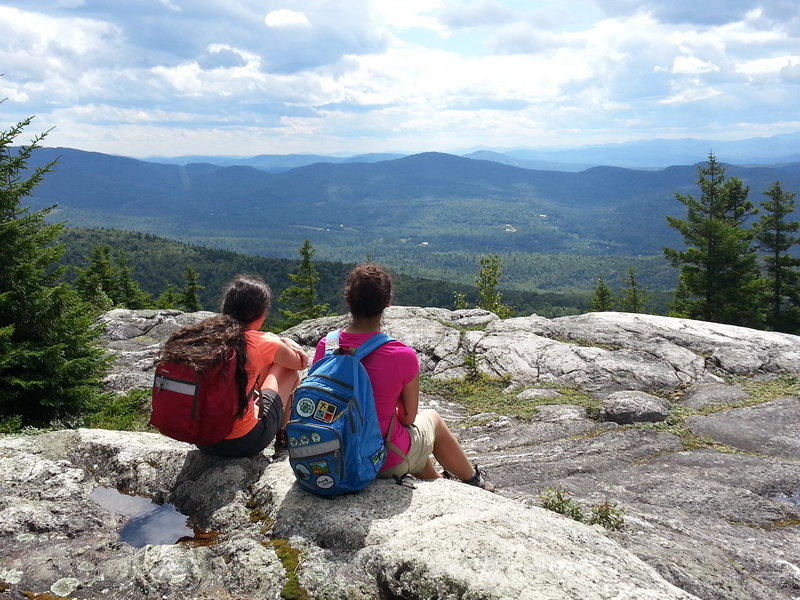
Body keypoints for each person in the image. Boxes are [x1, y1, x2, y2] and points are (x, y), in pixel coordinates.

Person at [312, 263, 495, 491]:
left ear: (348, 300)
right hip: (378, 462)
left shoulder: (327, 346)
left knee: (406, 439)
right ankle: (474, 482)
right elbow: (408, 418)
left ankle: (438, 481)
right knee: (431, 420)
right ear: (388, 302)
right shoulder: (401, 355)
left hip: (329, 455)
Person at [159, 275, 308, 457]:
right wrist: (283, 340)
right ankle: (283, 441)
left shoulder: (205, 337)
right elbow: (300, 363)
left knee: (256, 367)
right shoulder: (261, 342)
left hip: (203, 439)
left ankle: (252, 411)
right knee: (287, 370)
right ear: (261, 314)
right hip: (244, 441)